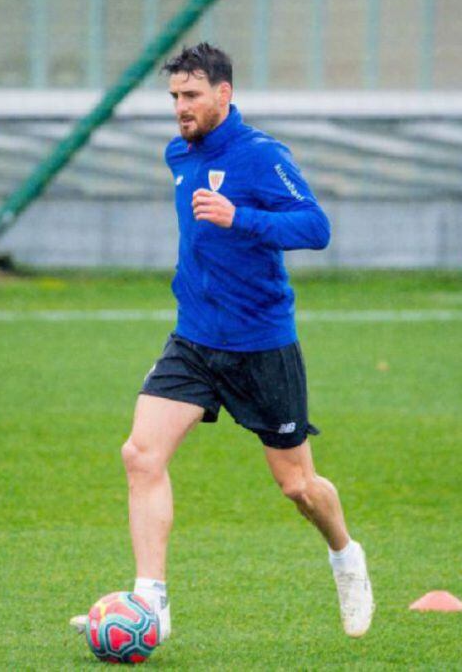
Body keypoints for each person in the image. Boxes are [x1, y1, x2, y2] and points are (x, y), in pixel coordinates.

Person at [72, 43, 373, 640]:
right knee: (140, 455)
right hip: (194, 339)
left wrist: (243, 218)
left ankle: (345, 556)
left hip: (261, 344)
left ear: (224, 95)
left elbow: (316, 227)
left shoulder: (262, 156)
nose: (180, 108)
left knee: (298, 487)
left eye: (191, 96)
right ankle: (149, 604)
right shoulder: (178, 154)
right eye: (174, 97)